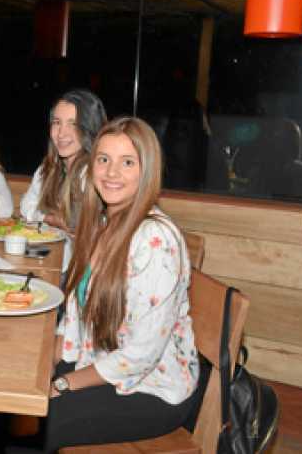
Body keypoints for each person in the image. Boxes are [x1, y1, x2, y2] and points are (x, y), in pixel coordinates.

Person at [39, 117, 200, 451]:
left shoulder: (155, 239)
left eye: (127, 162)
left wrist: (64, 383)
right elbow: (73, 316)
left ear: (148, 170)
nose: (112, 173)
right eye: (104, 159)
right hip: (99, 359)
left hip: (152, 387)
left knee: (35, 424)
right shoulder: (101, 222)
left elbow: (141, 354)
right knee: (15, 399)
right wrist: (45, 361)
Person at [19, 89, 107, 229]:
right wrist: (49, 218)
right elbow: (26, 205)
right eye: (57, 122)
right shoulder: (48, 167)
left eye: (73, 124)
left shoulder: (93, 172)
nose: (61, 133)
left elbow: (102, 223)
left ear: (89, 128)